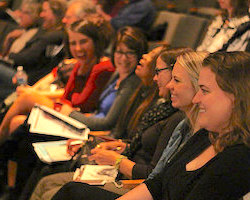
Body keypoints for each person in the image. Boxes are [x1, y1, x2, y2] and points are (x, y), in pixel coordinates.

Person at [29, 47, 192, 200]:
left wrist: (116, 160)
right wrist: (121, 147)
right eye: (118, 51)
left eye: (175, 79)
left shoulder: (177, 117)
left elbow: (153, 174)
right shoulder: (161, 105)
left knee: (58, 189)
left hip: (129, 181)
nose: (160, 79)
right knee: (46, 180)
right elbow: (137, 144)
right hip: (120, 168)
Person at [112, 51, 250, 200]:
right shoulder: (205, 136)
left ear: (236, 97)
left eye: (204, 90)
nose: (196, 99)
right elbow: (157, 184)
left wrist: (116, 161)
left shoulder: (239, 160)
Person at [0, 16, 115, 139]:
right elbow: (67, 95)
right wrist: (64, 103)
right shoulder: (79, 64)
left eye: (83, 42)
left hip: (79, 120)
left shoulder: (103, 67)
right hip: (67, 113)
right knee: (17, 121)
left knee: (27, 97)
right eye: (73, 43)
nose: (78, 48)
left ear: (95, 42)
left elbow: (82, 103)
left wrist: (63, 104)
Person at [0, 0, 67, 100]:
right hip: (22, 72)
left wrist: (8, 57)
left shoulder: (54, 36)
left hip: (28, 78)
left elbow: (27, 58)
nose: (41, 15)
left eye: (45, 11)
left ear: (56, 14)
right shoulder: (44, 32)